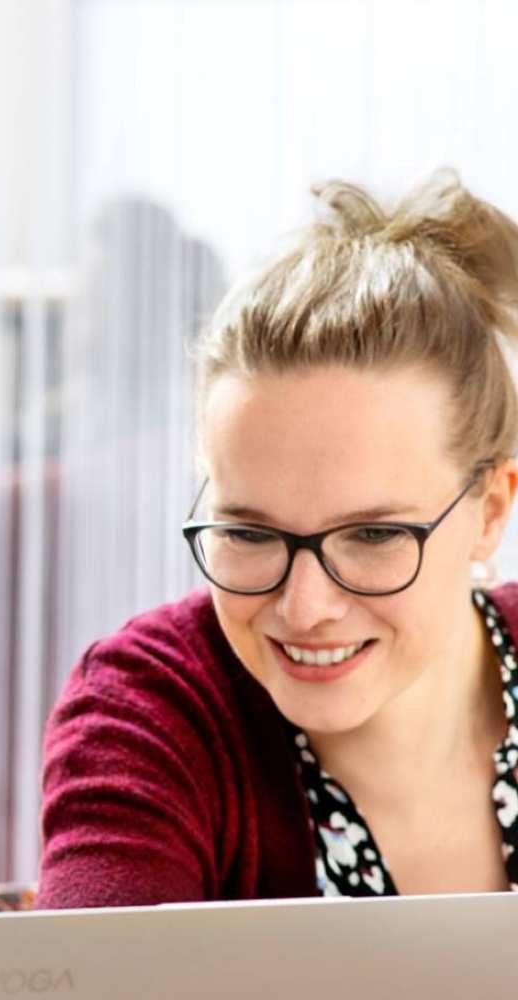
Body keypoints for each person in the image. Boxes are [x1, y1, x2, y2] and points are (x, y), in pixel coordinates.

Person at [37, 169, 518, 909]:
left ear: (490, 510)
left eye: (374, 534)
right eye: (249, 532)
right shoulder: (151, 710)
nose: (304, 607)